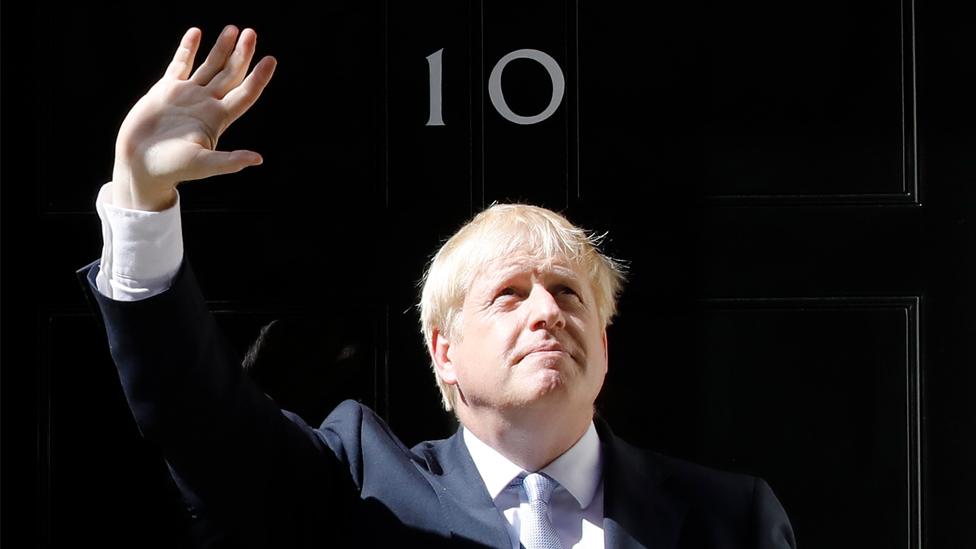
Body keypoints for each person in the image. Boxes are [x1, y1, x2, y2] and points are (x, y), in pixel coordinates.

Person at [81, 26, 796, 548]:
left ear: (605, 343)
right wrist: (142, 196)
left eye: (570, 293)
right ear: (444, 352)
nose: (548, 310)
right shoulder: (354, 487)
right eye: (509, 293)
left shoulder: (729, 517)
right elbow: (196, 416)